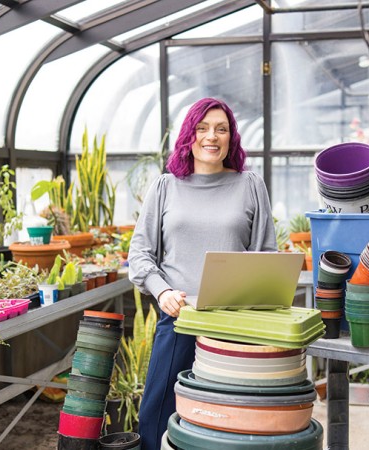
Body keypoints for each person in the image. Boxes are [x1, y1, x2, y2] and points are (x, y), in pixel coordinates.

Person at [127, 97, 277, 448]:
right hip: (179, 317)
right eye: (203, 128)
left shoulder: (250, 185)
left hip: (234, 323)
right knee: (157, 411)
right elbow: (140, 253)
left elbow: (265, 254)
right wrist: (163, 292)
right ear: (189, 137)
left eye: (221, 129)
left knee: (226, 414)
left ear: (231, 138)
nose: (212, 136)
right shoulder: (165, 187)